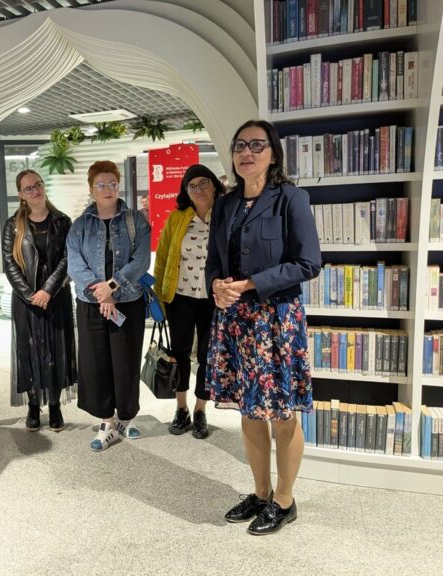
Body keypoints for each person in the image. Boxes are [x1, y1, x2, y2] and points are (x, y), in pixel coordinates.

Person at [205, 119, 321, 535]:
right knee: (250, 411)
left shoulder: (292, 198)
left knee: (282, 415)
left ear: (273, 154)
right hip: (234, 321)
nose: (246, 152)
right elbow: (214, 261)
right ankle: (260, 492)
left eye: (256, 145)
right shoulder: (226, 204)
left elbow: (309, 263)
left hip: (276, 320)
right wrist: (216, 287)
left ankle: (285, 501)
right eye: (239, 145)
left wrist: (251, 283)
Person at [67, 160, 150, 451]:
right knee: (95, 363)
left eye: (112, 184)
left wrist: (112, 287)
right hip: (91, 304)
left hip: (127, 301)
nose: (107, 189)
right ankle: (107, 420)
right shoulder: (80, 225)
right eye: (101, 185)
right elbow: (75, 264)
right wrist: (101, 294)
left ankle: (127, 416)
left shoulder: (135, 220)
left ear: (118, 185)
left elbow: (141, 260)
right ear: (91, 189)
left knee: (126, 361)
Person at [2, 169, 76, 432]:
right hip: (26, 300)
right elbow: (9, 263)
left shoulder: (63, 221)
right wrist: (30, 295)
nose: (35, 190)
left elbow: (69, 259)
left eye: (38, 185)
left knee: (57, 348)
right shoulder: (13, 225)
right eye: (28, 188)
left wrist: (48, 290)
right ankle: (34, 405)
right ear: (21, 195)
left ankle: (54, 405)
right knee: (29, 350)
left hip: (56, 296)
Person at [154, 164, 222, 439]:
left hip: (212, 299)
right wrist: (159, 296)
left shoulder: (225, 216)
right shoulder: (177, 218)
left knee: (207, 355)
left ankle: (200, 410)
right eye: (191, 186)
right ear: (186, 191)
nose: (198, 189)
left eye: (203, 183)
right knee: (180, 353)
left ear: (214, 184)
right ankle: (181, 409)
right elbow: (162, 257)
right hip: (180, 296)